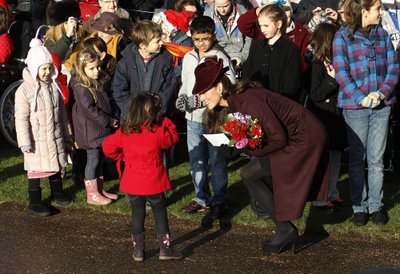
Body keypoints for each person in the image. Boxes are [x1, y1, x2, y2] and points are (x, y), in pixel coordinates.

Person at [193, 56, 329, 254]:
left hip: (305, 137)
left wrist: (248, 148)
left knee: (251, 174)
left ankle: (284, 228)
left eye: (205, 92)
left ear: (220, 88)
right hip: (295, 136)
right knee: (250, 174)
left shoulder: (247, 101)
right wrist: (230, 142)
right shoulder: (235, 102)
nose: (202, 97)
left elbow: (278, 139)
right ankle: (284, 227)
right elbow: (241, 143)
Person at [332, 0, 400, 226]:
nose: (381, 13)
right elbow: (341, 72)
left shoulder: (382, 33)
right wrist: (361, 97)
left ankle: (376, 205)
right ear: (364, 11)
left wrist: (381, 94)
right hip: (354, 108)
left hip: (382, 105)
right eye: (377, 9)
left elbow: (394, 67)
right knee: (356, 159)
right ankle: (359, 206)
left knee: (376, 159)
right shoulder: (342, 36)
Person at [102, 93, 182, 261]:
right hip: (155, 180)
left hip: (133, 181)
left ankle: (138, 250)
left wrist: (123, 156)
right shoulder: (158, 131)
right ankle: (165, 250)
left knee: (137, 215)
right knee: (160, 214)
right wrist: (163, 120)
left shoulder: (125, 132)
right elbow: (174, 136)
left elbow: (107, 146)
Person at [175, 16, 235, 218]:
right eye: (197, 39)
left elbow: (229, 86)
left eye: (205, 39)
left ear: (214, 36)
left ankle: (220, 199)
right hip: (192, 119)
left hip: (215, 119)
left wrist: (201, 100)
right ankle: (201, 197)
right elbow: (185, 83)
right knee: (196, 159)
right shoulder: (189, 57)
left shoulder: (220, 57)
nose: (201, 43)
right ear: (191, 36)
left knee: (217, 160)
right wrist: (182, 98)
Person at [14, 39, 73, 217]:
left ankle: (58, 193)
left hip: (54, 136)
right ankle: (35, 202)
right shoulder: (24, 91)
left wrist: (68, 135)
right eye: (43, 69)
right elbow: (21, 119)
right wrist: (24, 142)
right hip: (36, 139)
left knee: (55, 165)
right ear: (34, 68)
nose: (47, 72)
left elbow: (62, 114)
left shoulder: (54, 88)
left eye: (49, 68)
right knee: (35, 170)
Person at [71, 47, 119, 205]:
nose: (96, 71)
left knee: (98, 158)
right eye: (91, 68)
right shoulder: (81, 87)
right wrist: (108, 121)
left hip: (98, 129)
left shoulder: (95, 82)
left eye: (98, 67)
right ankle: (92, 194)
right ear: (82, 68)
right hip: (90, 130)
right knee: (92, 159)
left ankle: (99, 189)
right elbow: (90, 110)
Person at [308, 23, 346, 212]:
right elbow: (315, 94)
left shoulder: (335, 61)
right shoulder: (316, 64)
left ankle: (332, 192)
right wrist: (331, 80)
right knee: (325, 159)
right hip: (324, 117)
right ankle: (319, 198)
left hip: (336, 116)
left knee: (336, 157)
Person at [113, 20, 175, 119]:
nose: (161, 43)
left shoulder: (165, 60)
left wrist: (157, 111)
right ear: (143, 46)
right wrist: (132, 112)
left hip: (157, 116)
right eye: (157, 41)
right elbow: (120, 92)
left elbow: (168, 89)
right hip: (132, 117)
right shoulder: (125, 62)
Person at [240, 4, 302, 101]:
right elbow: (247, 71)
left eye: (266, 25)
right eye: (260, 26)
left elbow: (292, 84)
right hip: (254, 101)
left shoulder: (290, 49)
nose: (262, 29)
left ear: (278, 24)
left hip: (279, 103)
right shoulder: (257, 45)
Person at [237, 0, 310, 73]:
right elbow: (242, 24)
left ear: (291, 11)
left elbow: (305, 62)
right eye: (277, 11)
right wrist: (260, 10)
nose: (283, 14)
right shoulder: (263, 31)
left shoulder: (301, 32)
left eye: (286, 10)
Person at [204, 0, 252, 68]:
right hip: (219, 58)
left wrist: (242, 57)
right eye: (218, 6)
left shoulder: (243, 13)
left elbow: (249, 39)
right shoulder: (208, 15)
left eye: (225, 6)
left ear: (232, 1)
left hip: (240, 56)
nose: (222, 10)